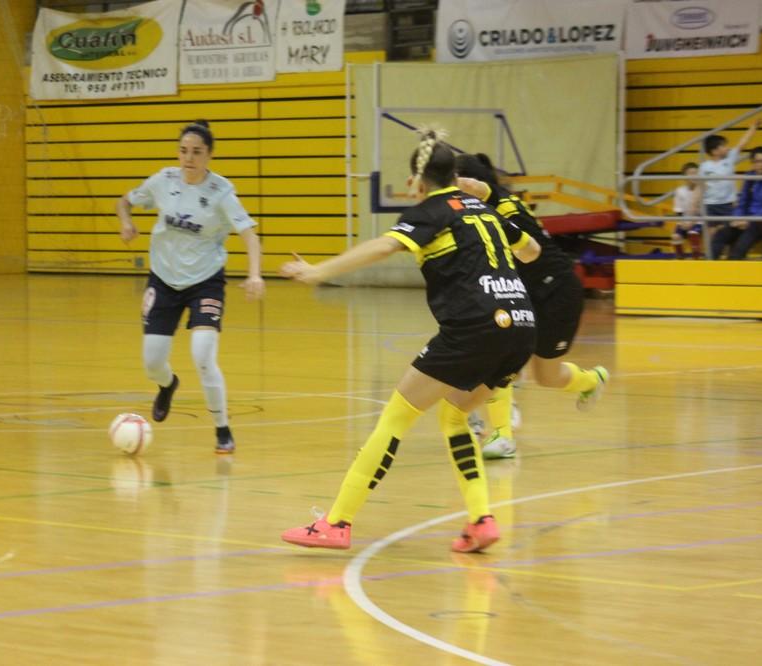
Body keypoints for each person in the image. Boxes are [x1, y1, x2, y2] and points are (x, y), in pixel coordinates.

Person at [279, 129, 541, 553]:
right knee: (455, 417)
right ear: (455, 176)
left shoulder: (431, 211)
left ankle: (337, 522)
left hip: (475, 327)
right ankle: (481, 520)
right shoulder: (485, 210)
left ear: (417, 183)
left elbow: (384, 247)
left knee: (396, 417)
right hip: (523, 325)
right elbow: (531, 251)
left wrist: (318, 271)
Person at [116, 120, 265, 454]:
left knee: (202, 355)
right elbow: (123, 201)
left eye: (197, 152)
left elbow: (250, 235)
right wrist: (126, 222)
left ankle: (222, 430)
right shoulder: (163, 181)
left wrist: (255, 275)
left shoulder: (221, 193)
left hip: (205, 283)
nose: (189, 158)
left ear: (209, 155)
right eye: (184, 150)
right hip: (163, 280)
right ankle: (167, 385)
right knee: (152, 362)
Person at [454, 153, 609, 460]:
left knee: (547, 377)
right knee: (501, 355)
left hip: (558, 290)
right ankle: (501, 434)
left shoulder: (496, 198)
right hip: (526, 293)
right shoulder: (476, 214)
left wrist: (435, 178)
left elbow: (472, 185)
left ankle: (592, 380)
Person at [693, 118, 761, 259]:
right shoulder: (705, 166)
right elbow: (701, 187)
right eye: (724, 146)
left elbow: (743, 143)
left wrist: (753, 127)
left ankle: (732, 259)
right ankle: (712, 260)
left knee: (731, 231)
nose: (727, 148)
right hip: (710, 205)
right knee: (712, 236)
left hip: (728, 204)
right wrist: (696, 205)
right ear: (715, 151)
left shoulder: (729, 158)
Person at [710, 146, 762, 260]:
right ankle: (710, 271)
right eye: (758, 161)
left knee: (738, 250)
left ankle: (732, 275)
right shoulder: (749, 177)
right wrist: (737, 218)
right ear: (753, 163)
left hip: (760, 222)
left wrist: (749, 220)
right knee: (720, 236)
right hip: (744, 220)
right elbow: (742, 201)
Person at [671, 162, 702, 259]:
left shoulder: (702, 190)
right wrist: (682, 223)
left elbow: (701, 211)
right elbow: (678, 210)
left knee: (693, 234)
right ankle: (680, 259)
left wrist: (692, 222)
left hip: (699, 221)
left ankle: (695, 259)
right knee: (676, 237)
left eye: (696, 173)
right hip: (685, 221)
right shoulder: (680, 191)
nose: (694, 176)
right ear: (684, 176)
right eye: (691, 173)